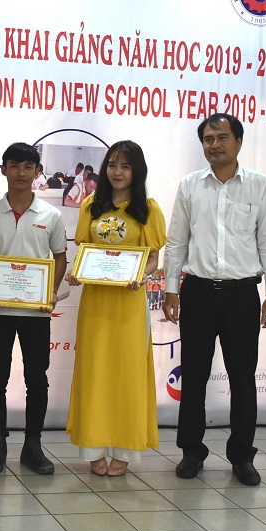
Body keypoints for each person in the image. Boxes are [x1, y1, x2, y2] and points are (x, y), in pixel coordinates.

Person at [163, 113, 266, 487]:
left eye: (222, 137)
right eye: (208, 139)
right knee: (193, 377)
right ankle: (191, 452)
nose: (214, 144)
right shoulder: (190, 186)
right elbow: (176, 242)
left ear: (239, 142)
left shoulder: (261, 186)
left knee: (243, 380)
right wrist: (171, 288)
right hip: (197, 292)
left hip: (242, 294)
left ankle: (242, 456)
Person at [65, 141, 165, 476]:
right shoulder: (91, 205)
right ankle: (92, 447)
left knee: (128, 373)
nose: (117, 172)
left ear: (137, 171)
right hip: (95, 302)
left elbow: (153, 259)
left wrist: (142, 275)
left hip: (129, 303)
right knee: (95, 371)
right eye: (112, 165)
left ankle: (124, 450)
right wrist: (75, 272)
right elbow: (83, 252)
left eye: (125, 166)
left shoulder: (148, 209)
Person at [0, 143, 68, 475]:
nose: (21, 173)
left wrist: (50, 292)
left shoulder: (51, 216)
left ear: (37, 172)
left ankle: (33, 446)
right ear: (3, 169)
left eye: (28, 167)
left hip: (35, 312)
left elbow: (60, 258)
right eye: (14, 166)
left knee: (37, 379)